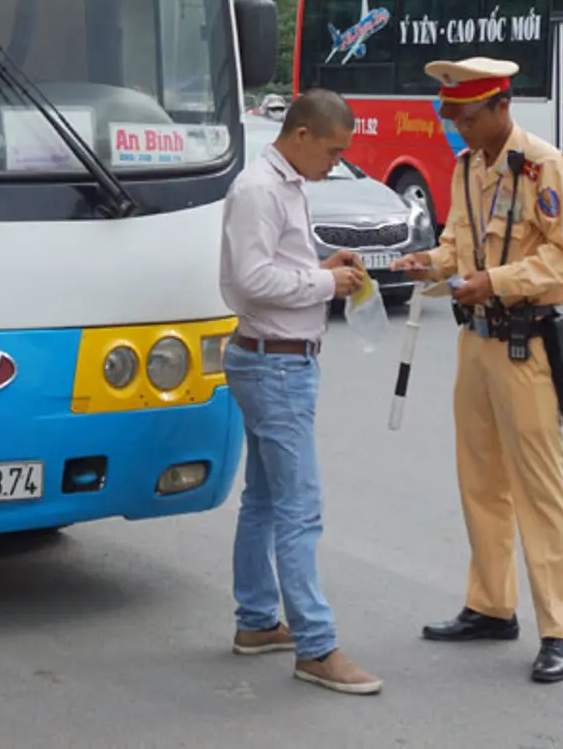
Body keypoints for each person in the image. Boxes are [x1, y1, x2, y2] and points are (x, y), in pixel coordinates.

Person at [390, 56, 563, 685]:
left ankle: (559, 628)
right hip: (474, 343)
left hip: (524, 344)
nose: (459, 130)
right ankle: (491, 606)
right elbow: (459, 244)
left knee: (539, 491)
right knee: (479, 481)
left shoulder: (540, 166)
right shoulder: (470, 167)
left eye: (467, 118)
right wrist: (433, 263)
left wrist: (493, 281)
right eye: (452, 118)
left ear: (502, 107)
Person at [218, 88, 382, 696]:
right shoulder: (260, 189)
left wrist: (322, 260)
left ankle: (258, 621)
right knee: (298, 508)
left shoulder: (285, 185)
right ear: (303, 135)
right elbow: (251, 279)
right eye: (333, 151)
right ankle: (316, 646)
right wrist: (324, 280)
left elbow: (280, 258)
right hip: (274, 363)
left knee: (264, 500)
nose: (336, 164)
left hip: (276, 360)